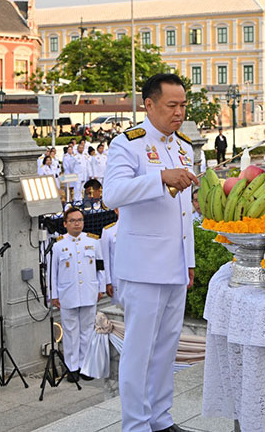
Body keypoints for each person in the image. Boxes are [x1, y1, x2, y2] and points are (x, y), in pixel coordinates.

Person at [102, 73, 197, 432]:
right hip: (142, 266)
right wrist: (160, 178)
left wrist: (188, 262)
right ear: (150, 105)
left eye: (183, 105)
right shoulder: (128, 144)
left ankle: (161, 419)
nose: (179, 112)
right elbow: (112, 194)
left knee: (166, 350)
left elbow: (184, 212)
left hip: (173, 265)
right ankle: (136, 425)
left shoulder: (183, 147)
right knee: (139, 351)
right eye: (172, 105)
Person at [49, 208, 105, 382]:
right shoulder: (58, 246)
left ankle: (86, 366)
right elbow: (52, 273)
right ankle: (72, 367)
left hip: (88, 291)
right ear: (65, 224)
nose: (77, 223)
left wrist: (101, 287)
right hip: (68, 294)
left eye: (80, 220)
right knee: (70, 331)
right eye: (73, 220)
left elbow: (100, 267)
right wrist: (53, 294)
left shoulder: (93, 242)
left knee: (88, 330)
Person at [100, 210, 119, 302]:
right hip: (117, 281)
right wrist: (108, 282)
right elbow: (105, 259)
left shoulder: (138, 228)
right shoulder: (109, 231)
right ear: (116, 210)